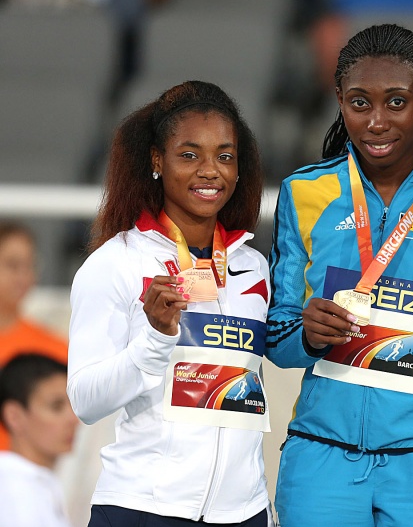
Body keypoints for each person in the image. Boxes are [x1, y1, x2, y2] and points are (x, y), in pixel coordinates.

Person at [265, 23, 413, 527]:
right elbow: (277, 337)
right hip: (321, 454)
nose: (376, 122)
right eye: (359, 103)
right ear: (339, 100)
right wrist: (306, 334)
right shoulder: (304, 193)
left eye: (396, 102)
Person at [67, 80, 274, 526]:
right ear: (157, 161)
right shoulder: (116, 263)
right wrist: (154, 341)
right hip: (145, 507)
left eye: (225, 156)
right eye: (190, 155)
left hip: (244, 511)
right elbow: (85, 400)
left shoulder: (253, 266)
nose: (210, 171)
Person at [0, 221, 69, 450]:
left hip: (29, 468)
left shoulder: (55, 350)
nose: (23, 276)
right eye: (12, 265)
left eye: (30, 265)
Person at [0, 353, 79, 527]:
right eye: (56, 407)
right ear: (14, 416)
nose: (74, 419)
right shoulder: (13, 489)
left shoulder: (37, 482)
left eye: (73, 405)